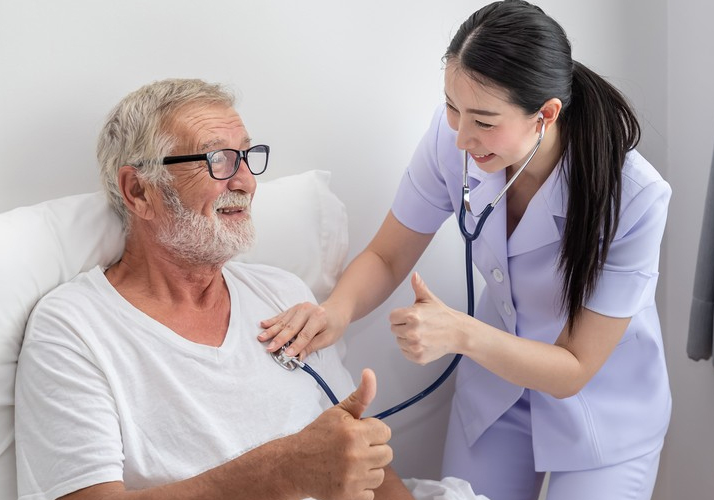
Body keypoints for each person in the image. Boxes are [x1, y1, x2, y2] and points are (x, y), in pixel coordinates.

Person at [257, 2, 672, 499]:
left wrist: (459, 333)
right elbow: (388, 256)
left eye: (483, 120)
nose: (461, 136)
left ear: (546, 114)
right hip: (498, 394)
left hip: (600, 407)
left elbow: (574, 369)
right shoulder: (454, 137)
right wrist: (336, 311)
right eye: (452, 107)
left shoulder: (634, 196)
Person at [15, 78, 414, 500]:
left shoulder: (283, 295)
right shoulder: (73, 329)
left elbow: (366, 465)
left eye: (245, 156)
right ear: (139, 191)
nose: (245, 182)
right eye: (218, 160)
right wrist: (283, 472)